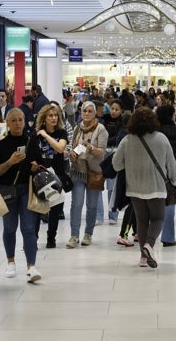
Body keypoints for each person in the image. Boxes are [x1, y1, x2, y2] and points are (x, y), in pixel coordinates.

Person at [113, 107, 176, 268]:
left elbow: (116, 164)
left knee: (141, 221)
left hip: (134, 188)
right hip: (156, 187)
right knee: (158, 218)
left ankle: (143, 258)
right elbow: (171, 164)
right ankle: (149, 245)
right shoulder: (161, 138)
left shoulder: (127, 140)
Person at [0, 108, 43, 282]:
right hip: (7, 190)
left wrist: (35, 166)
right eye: (14, 120)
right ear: (8, 123)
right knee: (10, 227)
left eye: (20, 119)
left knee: (28, 228)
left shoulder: (31, 141)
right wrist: (10, 162)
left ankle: (31, 266)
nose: (18, 123)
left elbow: (40, 163)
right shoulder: (2, 145)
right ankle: (10, 261)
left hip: (27, 189)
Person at [67, 101, 109, 248]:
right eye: (84, 111)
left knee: (91, 206)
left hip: (94, 172)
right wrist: (71, 154)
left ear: (95, 113)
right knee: (76, 204)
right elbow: (73, 147)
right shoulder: (78, 128)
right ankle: (74, 235)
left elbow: (102, 153)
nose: (86, 113)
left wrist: (90, 146)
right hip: (78, 171)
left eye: (90, 111)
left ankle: (88, 234)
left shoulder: (101, 129)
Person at [34, 104, 68, 248]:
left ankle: (51, 239)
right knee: (37, 208)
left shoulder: (61, 133)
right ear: (44, 118)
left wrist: (46, 135)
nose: (54, 118)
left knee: (55, 209)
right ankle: (33, 239)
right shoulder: (36, 135)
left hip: (57, 174)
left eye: (55, 115)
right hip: (40, 174)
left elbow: (60, 148)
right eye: (50, 116)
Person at [156, 105, 176, 247]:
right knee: (170, 202)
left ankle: (148, 233)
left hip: (156, 172)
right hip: (174, 171)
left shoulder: (154, 132)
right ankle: (168, 237)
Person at [102, 99, 125, 224]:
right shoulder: (104, 120)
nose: (114, 111)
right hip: (102, 153)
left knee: (112, 187)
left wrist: (104, 140)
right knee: (98, 186)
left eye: (116, 109)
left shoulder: (123, 123)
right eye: (112, 109)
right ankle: (99, 216)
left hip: (115, 154)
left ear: (121, 111)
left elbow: (118, 139)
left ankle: (113, 214)